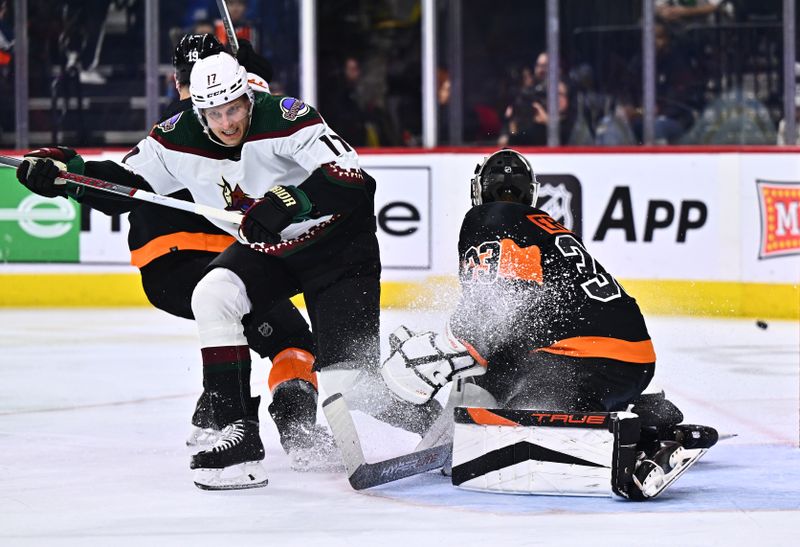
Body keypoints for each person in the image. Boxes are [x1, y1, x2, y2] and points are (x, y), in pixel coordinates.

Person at [16, 49, 377, 489]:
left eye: (234, 109)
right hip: (270, 251)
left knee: (356, 384)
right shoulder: (175, 136)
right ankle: (236, 433)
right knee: (213, 294)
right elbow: (125, 184)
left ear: (249, 96)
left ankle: (440, 426)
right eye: (214, 113)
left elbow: (353, 177)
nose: (227, 123)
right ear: (195, 108)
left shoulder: (286, 115)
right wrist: (69, 175)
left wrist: (291, 200)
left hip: (336, 248)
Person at [380, 149, 717, 498]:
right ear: (531, 192)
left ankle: (642, 446)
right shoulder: (544, 226)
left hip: (581, 364)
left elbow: (495, 308)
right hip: (632, 360)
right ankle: (645, 414)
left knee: (499, 435)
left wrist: (428, 355)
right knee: (496, 368)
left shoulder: (485, 218)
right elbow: (515, 318)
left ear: (479, 189)